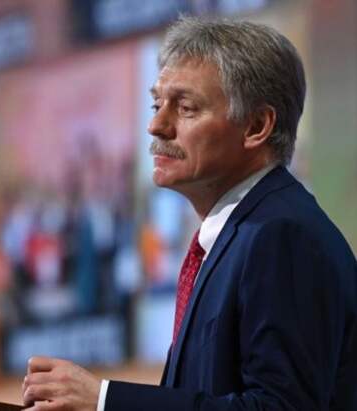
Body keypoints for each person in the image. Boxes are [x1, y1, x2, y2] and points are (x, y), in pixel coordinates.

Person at [21, 16, 357, 411]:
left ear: (256, 126)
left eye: (185, 108)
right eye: (156, 104)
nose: (156, 125)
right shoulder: (238, 237)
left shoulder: (281, 235)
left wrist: (105, 401)